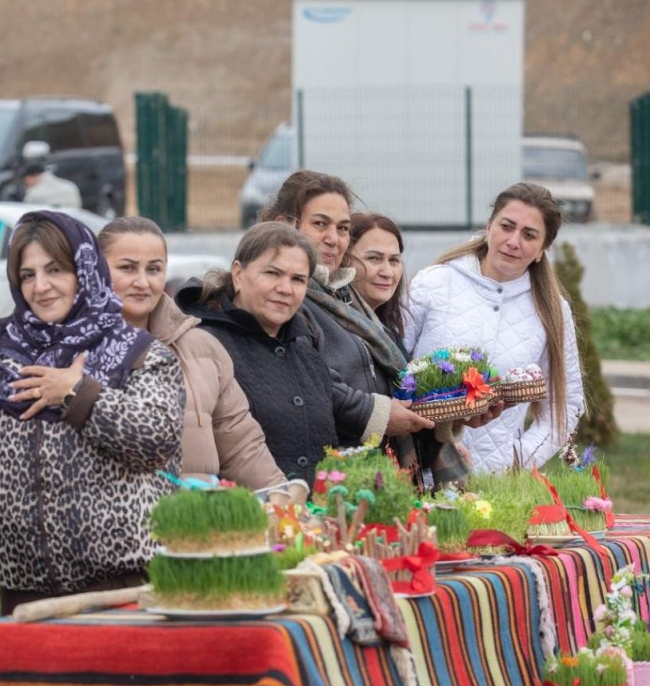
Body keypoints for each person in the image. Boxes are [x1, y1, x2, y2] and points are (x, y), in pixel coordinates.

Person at [0, 210, 183, 686]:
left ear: (85, 270)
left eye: (55, 270)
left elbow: (157, 438)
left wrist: (78, 392)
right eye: (27, 274)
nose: (41, 286)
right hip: (30, 591)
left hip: (120, 587)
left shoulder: (140, 353)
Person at [261, 172, 473, 490]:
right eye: (320, 224)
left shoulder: (343, 298)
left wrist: (447, 415)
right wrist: (378, 414)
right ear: (285, 224)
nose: (334, 238)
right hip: (323, 477)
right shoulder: (285, 298)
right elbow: (309, 381)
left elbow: (382, 381)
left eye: (343, 228)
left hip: (367, 472)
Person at [97, 216, 304, 502]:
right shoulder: (74, 352)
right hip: (113, 531)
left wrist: (281, 498)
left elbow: (241, 444)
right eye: (127, 268)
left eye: (154, 269)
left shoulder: (202, 347)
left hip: (197, 530)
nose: (143, 282)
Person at [406, 182, 585, 473]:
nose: (513, 241)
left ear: (542, 249)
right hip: (419, 472)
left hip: (496, 484)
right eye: (507, 226)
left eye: (529, 235)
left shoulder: (552, 311)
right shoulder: (433, 283)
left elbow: (567, 403)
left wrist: (519, 459)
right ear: (489, 227)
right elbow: (390, 368)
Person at [175, 221, 337, 489]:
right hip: (241, 520)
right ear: (237, 274)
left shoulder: (307, 351)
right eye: (273, 273)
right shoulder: (204, 346)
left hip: (303, 522)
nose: (285, 288)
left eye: (298, 279)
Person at [347, 212, 408, 340]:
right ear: (344, 260)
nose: (388, 273)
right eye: (374, 258)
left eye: (393, 260)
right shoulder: (334, 331)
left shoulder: (390, 334)